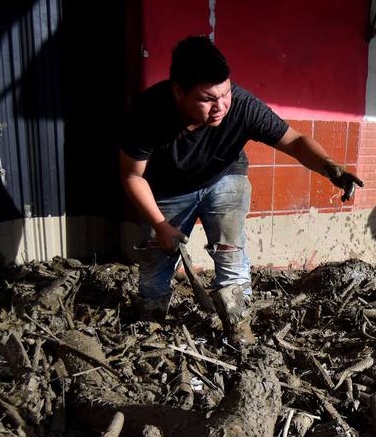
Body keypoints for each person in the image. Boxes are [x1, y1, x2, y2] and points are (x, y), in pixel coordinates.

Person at [119, 36, 362, 334]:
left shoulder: (242, 106)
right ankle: (150, 321)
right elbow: (132, 175)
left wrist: (330, 167)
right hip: (167, 189)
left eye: (225, 93)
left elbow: (296, 141)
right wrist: (159, 224)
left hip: (224, 176)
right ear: (178, 91)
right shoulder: (148, 112)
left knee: (230, 249)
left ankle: (237, 321)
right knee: (157, 258)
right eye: (207, 99)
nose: (220, 106)